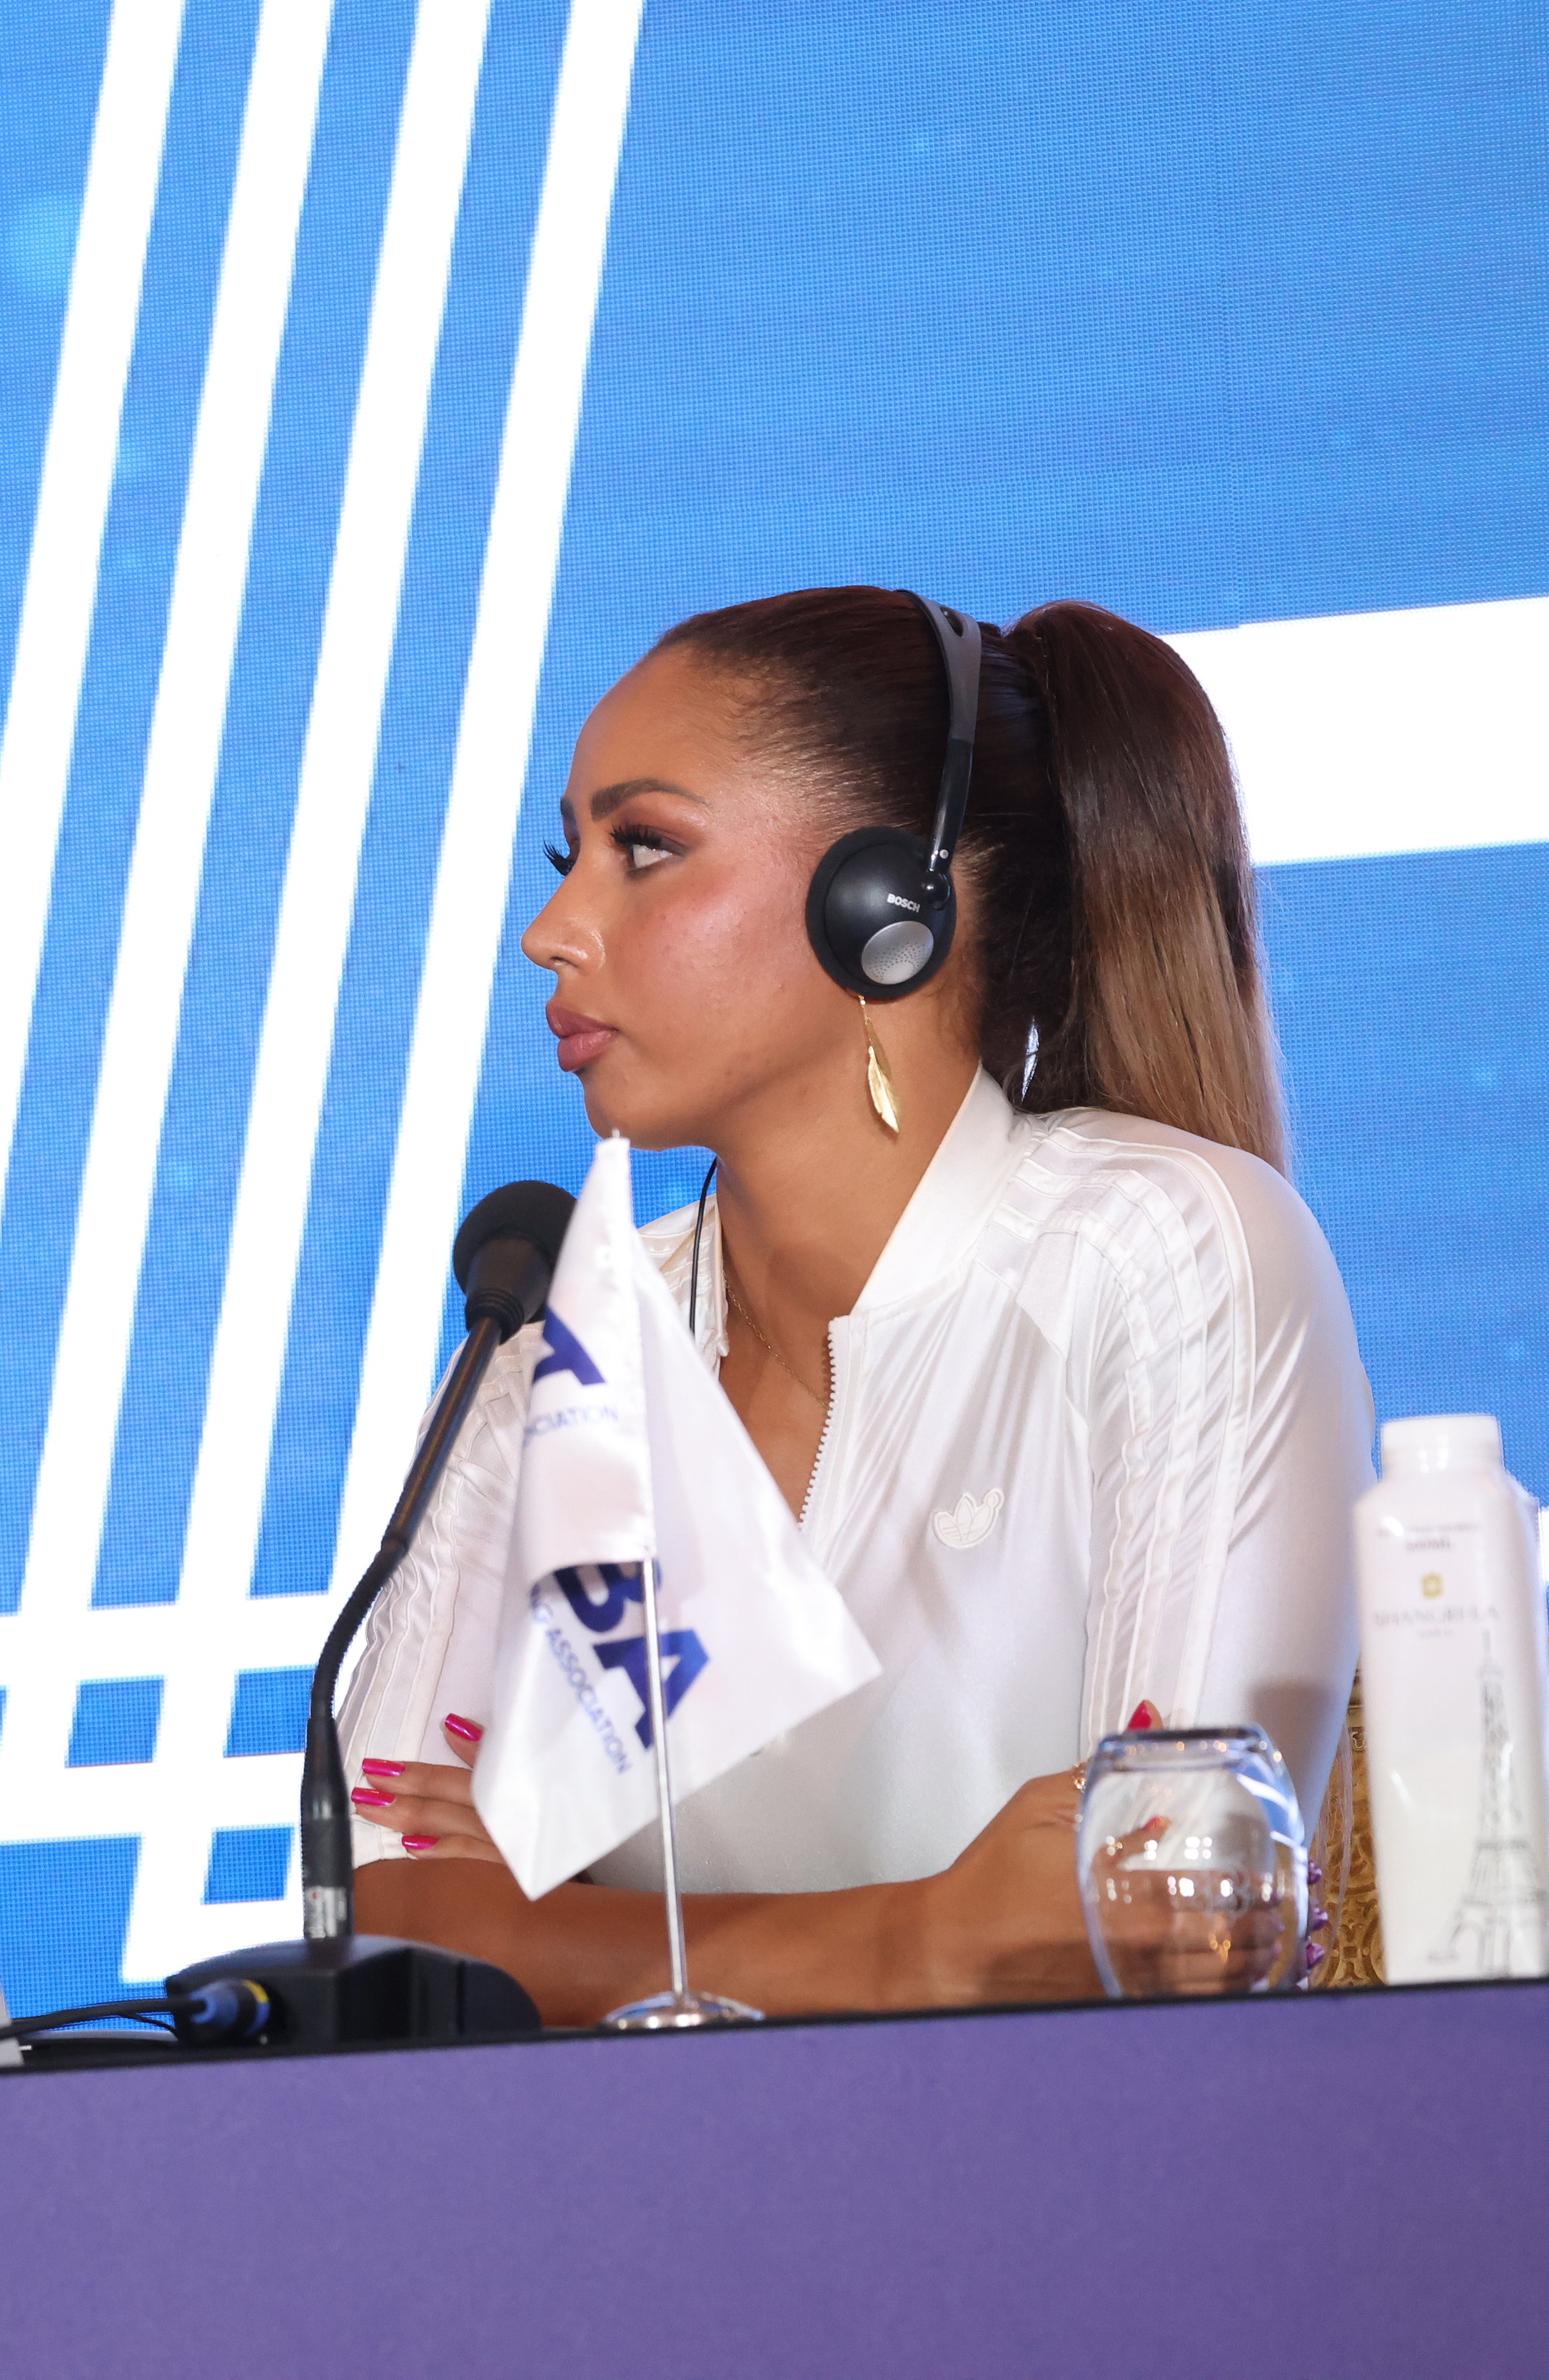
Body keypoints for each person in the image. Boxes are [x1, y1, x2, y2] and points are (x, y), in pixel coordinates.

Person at [338, 588, 1369, 2024]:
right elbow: (387, 1936)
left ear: (891, 898)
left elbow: (1171, 1917)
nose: (550, 931)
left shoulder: (1159, 1247)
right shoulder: (564, 1349)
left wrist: (573, 1928)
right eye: (568, 856)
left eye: (644, 849)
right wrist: (922, 1939)